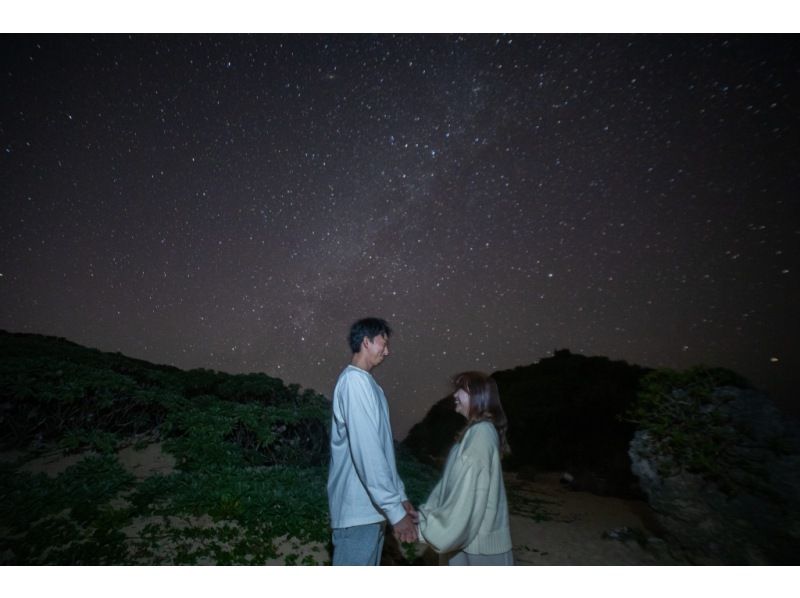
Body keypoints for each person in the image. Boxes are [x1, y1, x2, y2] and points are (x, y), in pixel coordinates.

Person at [327, 317, 418, 565]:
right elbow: (367, 454)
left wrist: (399, 495)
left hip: (372, 511)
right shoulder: (353, 382)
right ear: (366, 342)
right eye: (383, 343)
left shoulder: (373, 388)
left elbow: (383, 452)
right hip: (357, 511)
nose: (387, 352)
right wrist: (396, 512)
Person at [416, 371, 514, 565]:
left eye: (461, 389)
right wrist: (425, 514)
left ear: (478, 395)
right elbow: (450, 484)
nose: (454, 395)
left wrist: (429, 526)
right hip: (470, 540)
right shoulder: (476, 432)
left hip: (477, 545)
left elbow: (467, 493)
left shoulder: (481, 433)